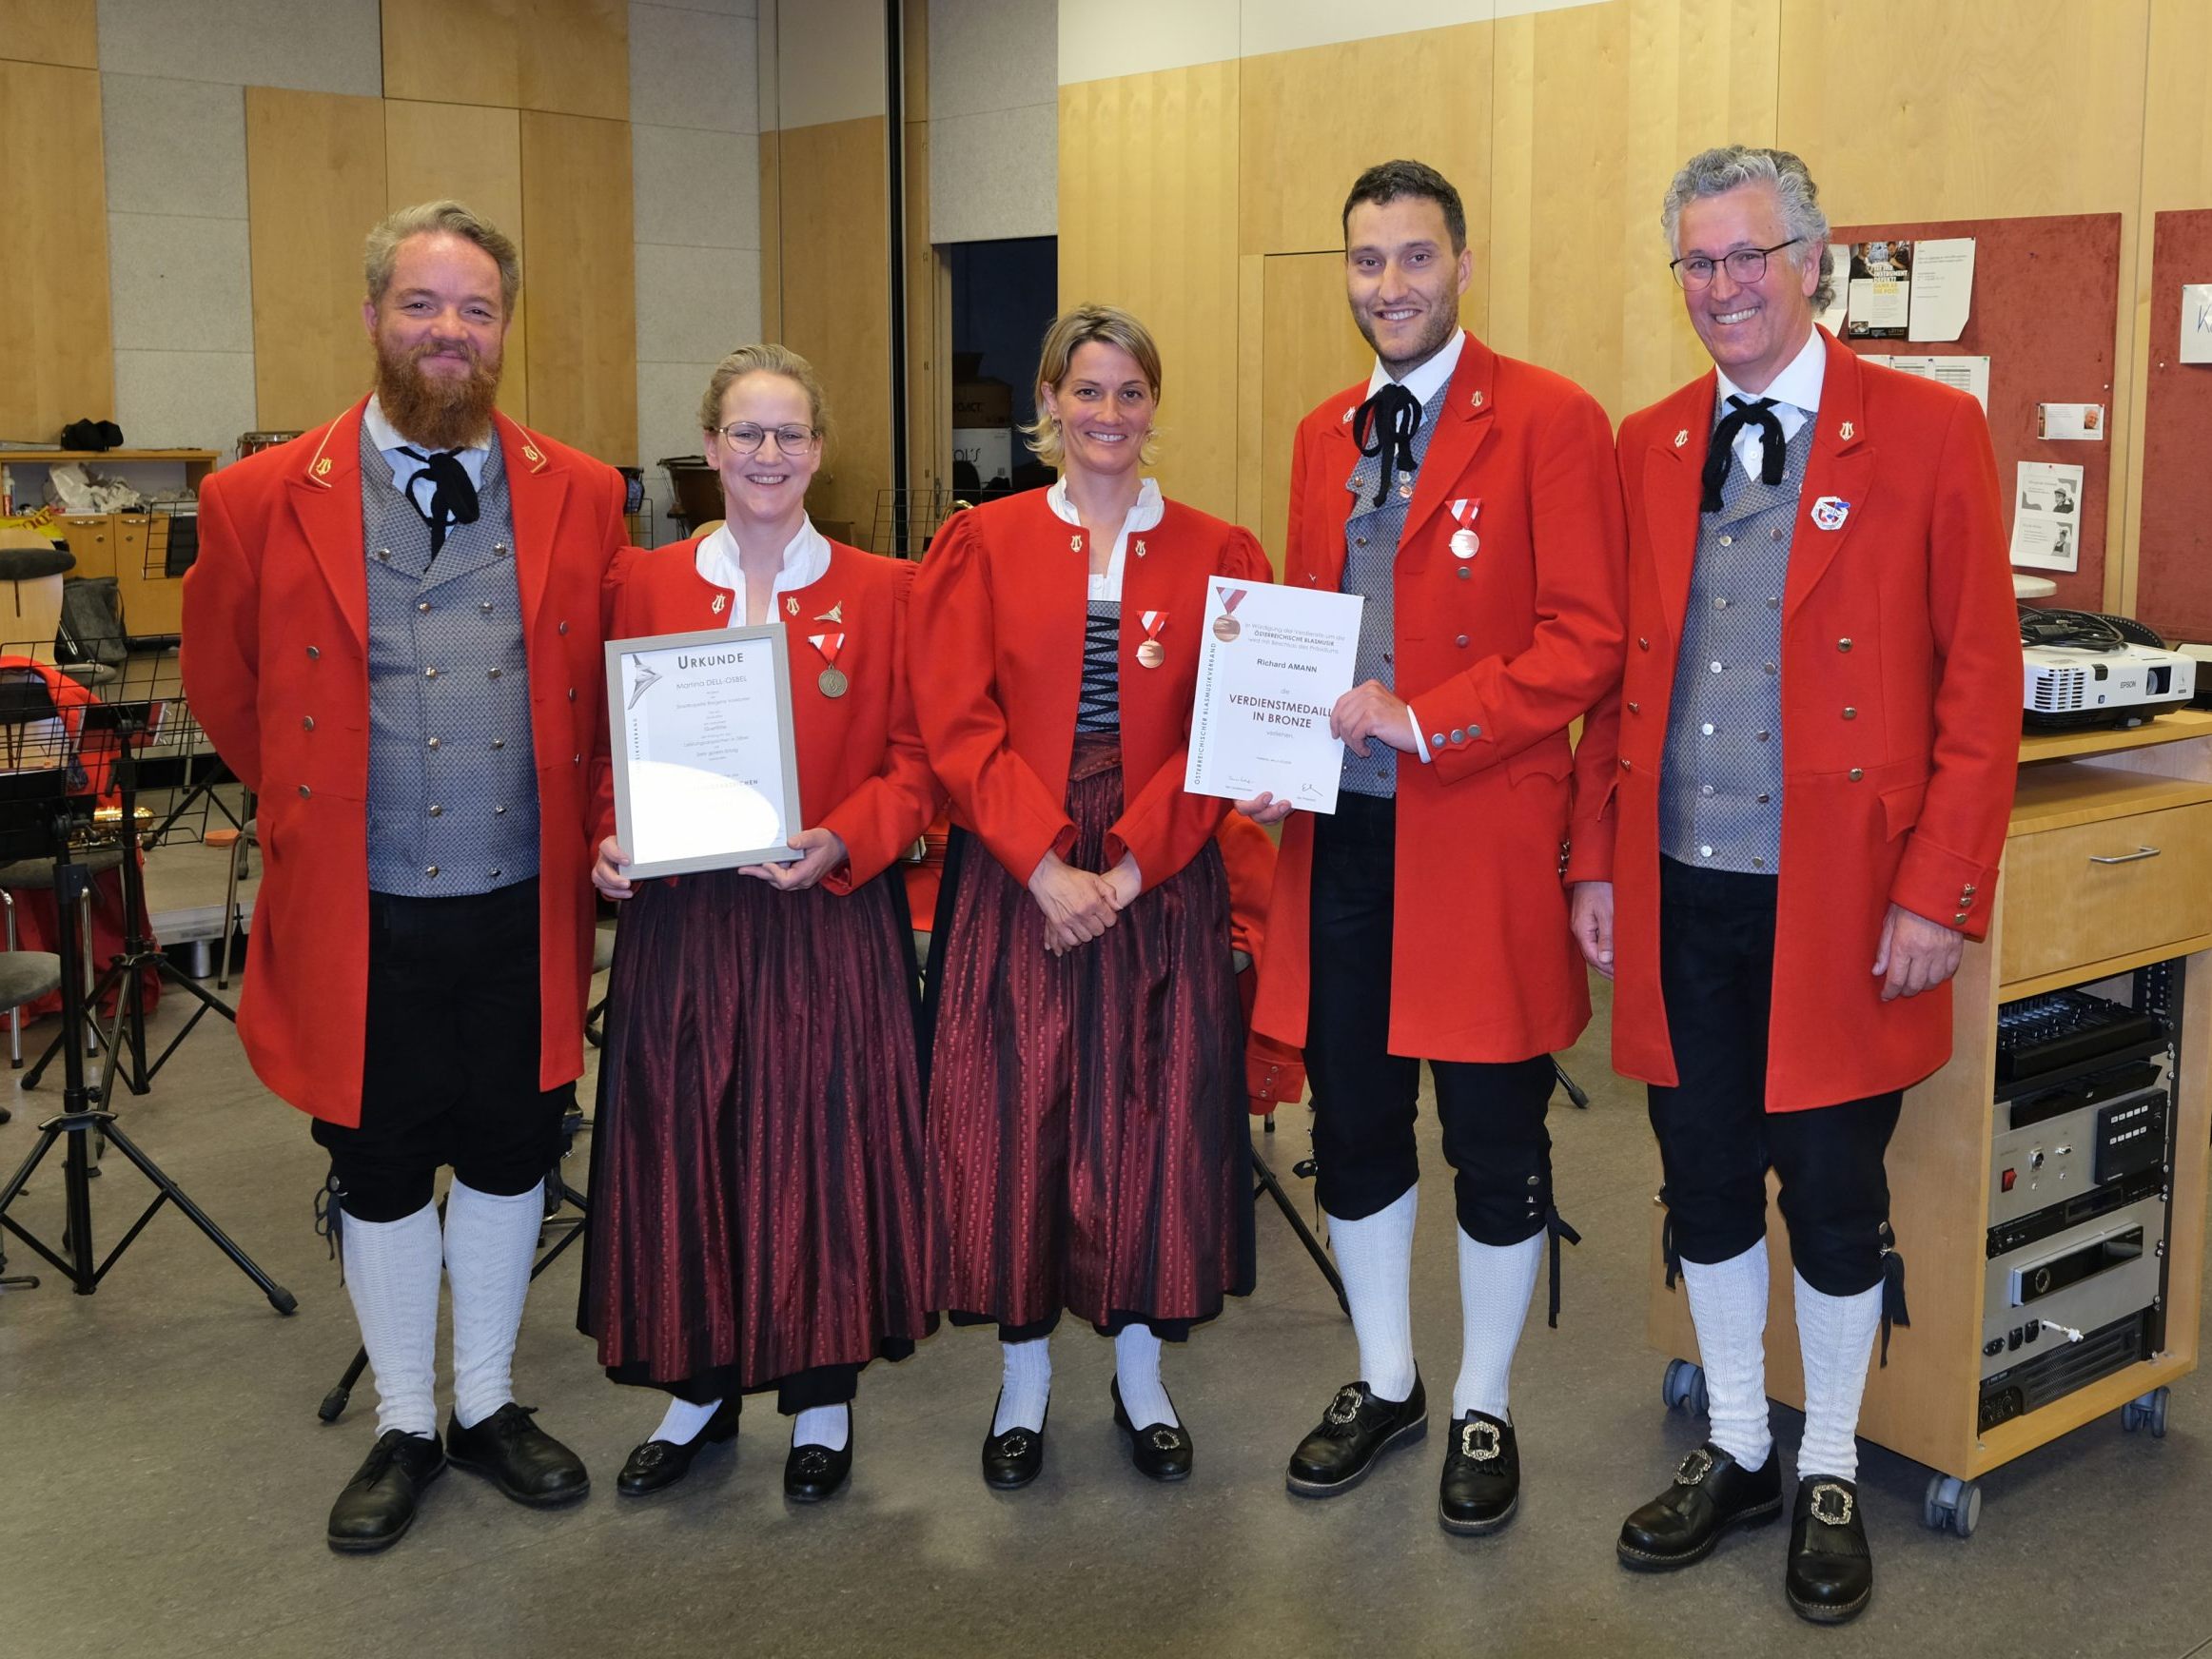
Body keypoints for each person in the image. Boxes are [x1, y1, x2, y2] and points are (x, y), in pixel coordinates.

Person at [1565, 146, 2018, 1624]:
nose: (1721, 288)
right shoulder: (1646, 442)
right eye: (1695, 262)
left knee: (1831, 1190)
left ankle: (1830, 1455)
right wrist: (1594, 861)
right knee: (1698, 1177)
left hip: (1842, 894)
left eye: (1747, 256)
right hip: (1682, 881)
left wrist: (1935, 892)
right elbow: (1614, 682)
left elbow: (1978, 692)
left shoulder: (1931, 433)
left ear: (1812, 260)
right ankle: (1740, 1447)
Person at [185, 201, 627, 1552]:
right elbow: (226, 685)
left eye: (476, 309)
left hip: (519, 896)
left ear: (505, 328)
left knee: (509, 1148)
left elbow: (611, 690)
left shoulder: (585, 490)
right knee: (375, 1164)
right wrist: (320, 812)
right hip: (357, 908)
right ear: (376, 315)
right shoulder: (257, 499)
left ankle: (488, 1405)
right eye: (424, 305)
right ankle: (404, 1420)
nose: (449, 332)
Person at [1242, 159, 1627, 1534]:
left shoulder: (1550, 419)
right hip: (1339, 841)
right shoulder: (1317, 432)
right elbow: (1299, 624)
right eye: (1364, 262)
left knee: (1492, 1133)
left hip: (1478, 836)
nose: (1388, 285)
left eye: (1412, 258)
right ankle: (1386, 1377)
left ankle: (1483, 1398)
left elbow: (1589, 639)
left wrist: (1428, 718)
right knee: (1351, 1124)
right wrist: (1273, 753)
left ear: (1460, 263)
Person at [910, 303, 1270, 1488]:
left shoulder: (1223, 551)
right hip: (1021, 864)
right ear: (1049, 403)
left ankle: (1139, 1373)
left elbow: (1225, 735)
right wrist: (1043, 862)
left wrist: (1127, 867)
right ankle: (1022, 1380)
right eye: (1088, 390)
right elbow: (955, 723)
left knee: (1149, 1116)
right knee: (1021, 1112)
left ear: (1154, 408)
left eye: (1130, 392)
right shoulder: (982, 540)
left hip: (1156, 869)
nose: (1109, 413)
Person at [580, 345, 940, 1502]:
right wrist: (608, 840)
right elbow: (608, 751)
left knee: (820, 1151)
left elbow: (918, 766)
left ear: (820, 451)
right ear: (712, 445)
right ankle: (700, 1391)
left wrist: (846, 839)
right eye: (746, 434)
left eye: (789, 435)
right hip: (685, 922)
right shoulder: (641, 580)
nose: (768, 456)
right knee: (687, 1141)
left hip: (825, 917)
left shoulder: (889, 589)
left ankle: (823, 1398)